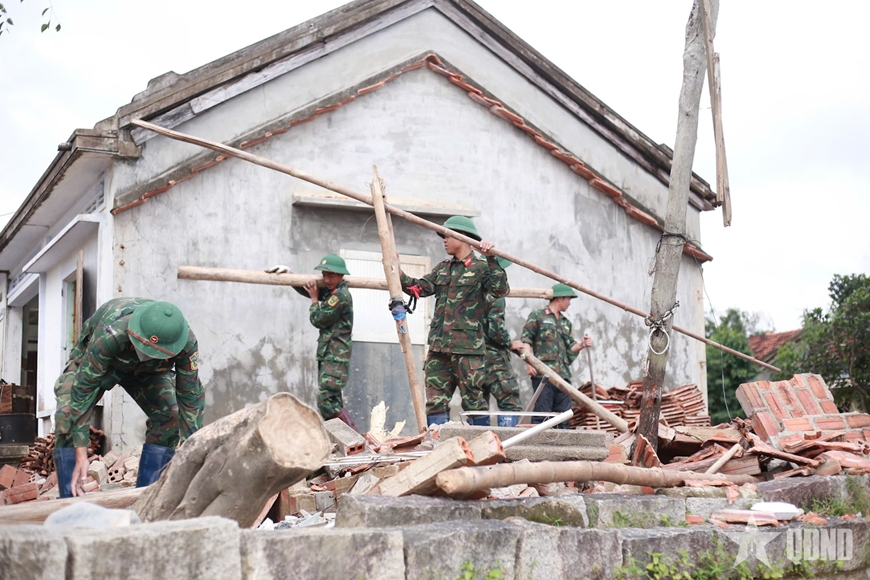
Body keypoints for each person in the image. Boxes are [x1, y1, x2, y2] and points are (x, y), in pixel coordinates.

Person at [52, 298, 203, 498]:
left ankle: (148, 499)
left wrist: (190, 448)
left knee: (170, 415)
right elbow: (84, 388)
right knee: (67, 413)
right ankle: (69, 500)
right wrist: (81, 451)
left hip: (150, 372)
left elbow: (190, 397)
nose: (145, 353)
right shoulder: (111, 333)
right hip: (105, 362)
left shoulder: (186, 344)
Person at [399, 216, 509, 426]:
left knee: (474, 403)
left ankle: (482, 451)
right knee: (435, 402)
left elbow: (500, 289)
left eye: (448, 235)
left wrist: (492, 258)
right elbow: (418, 289)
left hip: (468, 351)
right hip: (439, 350)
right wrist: (397, 270)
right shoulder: (443, 268)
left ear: (464, 237)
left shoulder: (481, 267)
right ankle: (438, 448)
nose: (444, 239)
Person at [267, 254, 356, 430]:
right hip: (329, 354)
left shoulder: (340, 296)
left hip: (335, 356)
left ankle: (352, 439)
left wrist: (315, 300)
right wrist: (292, 277)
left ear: (341, 275)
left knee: (326, 400)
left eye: (331, 275)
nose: (327, 279)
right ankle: (350, 441)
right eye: (324, 275)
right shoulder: (333, 293)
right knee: (333, 400)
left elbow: (318, 319)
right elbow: (310, 290)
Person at [521, 283, 593, 429]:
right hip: (544, 375)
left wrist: (581, 345)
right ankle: (539, 450)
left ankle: (562, 451)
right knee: (543, 415)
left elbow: (570, 348)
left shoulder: (566, 323)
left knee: (564, 417)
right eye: (568, 299)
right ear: (560, 298)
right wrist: (528, 363)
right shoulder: (538, 316)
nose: (570, 303)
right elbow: (526, 340)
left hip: (563, 377)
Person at [482, 257, 525, 427]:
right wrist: (510, 343)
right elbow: (495, 329)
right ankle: (508, 446)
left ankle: (480, 447)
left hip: (472, 357)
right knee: (509, 400)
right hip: (492, 356)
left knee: (477, 403)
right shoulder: (495, 295)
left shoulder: (472, 292)